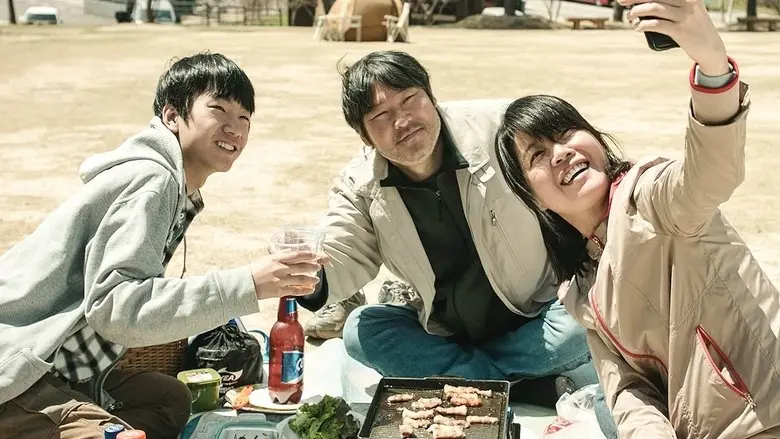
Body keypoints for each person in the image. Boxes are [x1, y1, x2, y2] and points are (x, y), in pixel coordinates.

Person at [0, 53, 325, 439]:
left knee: (169, 399)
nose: (234, 128)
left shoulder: (172, 184)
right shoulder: (152, 179)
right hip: (18, 369)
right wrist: (249, 283)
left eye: (244, 117)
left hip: (68, 367)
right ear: (172, 115)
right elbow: (115, 308)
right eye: (218, 109)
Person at [495, 1, 780, 436]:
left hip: (762, 414)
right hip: (692, 426)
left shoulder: (648, 197)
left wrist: (712, 65)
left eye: (566, 133)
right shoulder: (579, 289)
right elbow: (628, 389)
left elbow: (710, 173)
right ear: (534, 201)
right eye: (537, 154)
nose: (561, 153)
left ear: (595, 139)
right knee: (610, 406)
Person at [297, 50, 601, 408]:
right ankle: (519, 385)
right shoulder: (360, 184)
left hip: (538, 313)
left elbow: (572, 165)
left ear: (431, 96)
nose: (403, 120)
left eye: (410, 99)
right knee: (361, 330)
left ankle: (469, 379)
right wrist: (310, 273)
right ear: (364, 136)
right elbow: (344, 249)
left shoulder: (502, 129)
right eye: (381, 115)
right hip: (445, 332)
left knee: (589, 316)